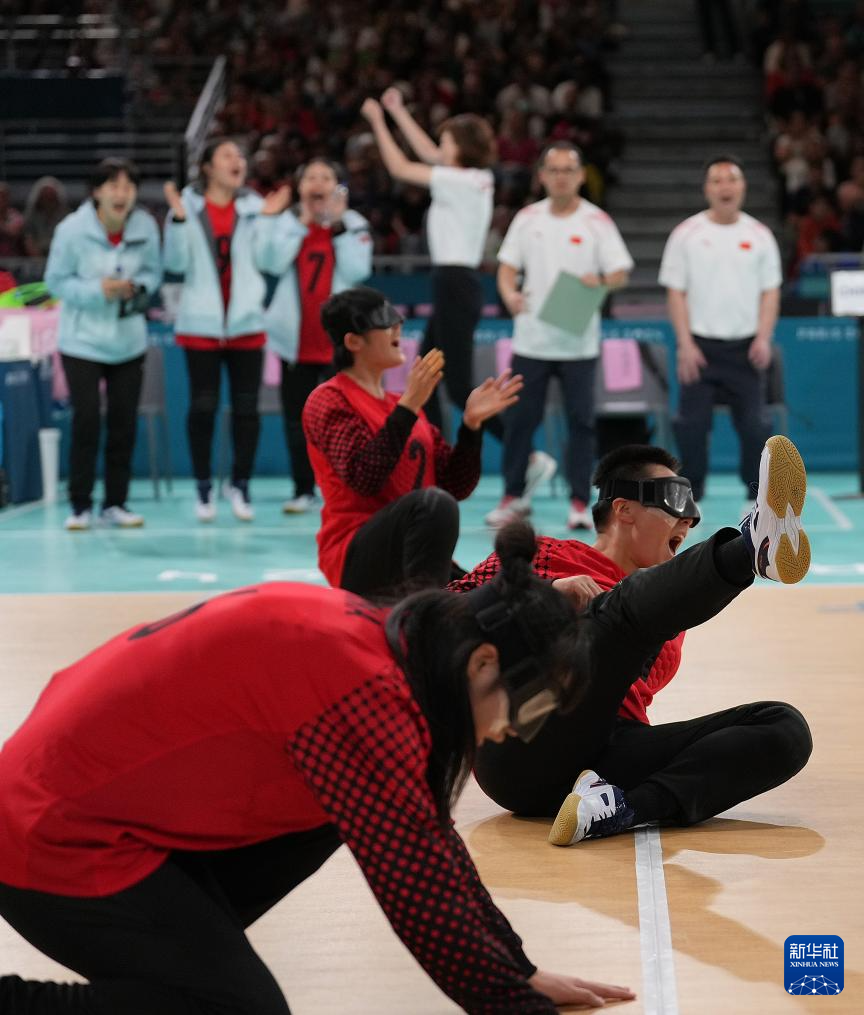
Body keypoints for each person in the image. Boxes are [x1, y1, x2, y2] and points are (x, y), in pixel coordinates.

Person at [0, 523, 637, 1014]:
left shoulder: (384, 641)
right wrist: (516, 1003)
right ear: (481, 663)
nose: (510, 732)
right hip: (50, 832)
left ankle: (186, 970)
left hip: (89, 804)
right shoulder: (361, 689)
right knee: (236, 1010)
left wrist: (518, 971)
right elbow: (419, 897)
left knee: (223, 974)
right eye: (530, 709)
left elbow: (428, 841)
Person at [454, 435, 812, 845]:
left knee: (784, 727)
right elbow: (444, 612)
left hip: (605, 758)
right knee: (618, 610)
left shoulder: (665, 610)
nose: (689, 520)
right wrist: (547, 593)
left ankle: (620, 810)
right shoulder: (542, 554)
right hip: (519, 733)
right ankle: (750, 550)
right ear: (623, 509)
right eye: (675, 500)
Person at [303, 286, 522, 599]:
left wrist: (471, 426)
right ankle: (425, 610)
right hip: (356, 554)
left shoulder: (405, 406)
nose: (397, 325)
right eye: (383, 319)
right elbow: (364, 477)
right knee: (433, 504)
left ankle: (433, 601)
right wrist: (408, 407)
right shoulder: (329, 399)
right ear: (353, 342)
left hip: (414, 555)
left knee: (503, 593)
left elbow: (454, 487)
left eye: (396, 316)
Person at [488, 141, 634, 531]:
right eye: (553, 170)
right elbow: (506, 268)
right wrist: (510, 295)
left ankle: (580, 502)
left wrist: (601, 280)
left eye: (568, 170)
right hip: (531, 341)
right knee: (520, 420)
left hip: (578, 343)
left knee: (581, 424)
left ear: (581, 176)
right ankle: (513, 497)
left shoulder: (597, 221)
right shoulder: (527, 219)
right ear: (541, 176)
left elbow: (620, 272)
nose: (561, 177)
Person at [360, 89, 499, 437]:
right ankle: (436, 451)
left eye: (446, 141)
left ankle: (522, 451)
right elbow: (427, 152)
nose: (440, 147)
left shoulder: (462, 181)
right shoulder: (474, 178)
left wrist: (378, 121)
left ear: (462, 147)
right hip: (454, 283)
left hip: (455, 283)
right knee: (427, 375)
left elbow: (400, 167)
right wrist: (397, 110)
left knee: (457, 386)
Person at [163, 138, 288, 523]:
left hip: (246, 323)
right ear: (207, 167)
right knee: (203, 407)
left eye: (241, 156)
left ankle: (240, 484)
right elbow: (175, 263)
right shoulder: (186, 206)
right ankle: (203, 487)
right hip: (200, 324)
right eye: (228, 155)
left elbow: (271, 262)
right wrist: (179, 220)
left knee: (247, 408)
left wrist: (269, 219)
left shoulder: (255, 207)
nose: (239, 161)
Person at [44, 158, 161, 531]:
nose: (121, 194)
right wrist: (99, 291)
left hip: (128, 342)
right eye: (113, 186)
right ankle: (80, 504)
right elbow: (56, 281)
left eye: (128, 187)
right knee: (87, 421)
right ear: (96, 192)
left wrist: (138, 288)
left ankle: (116, 503)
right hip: (81, 342)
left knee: (123, 424)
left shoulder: (145, 226)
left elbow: (154, 273)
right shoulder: (70, 230)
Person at [659, 155, 782, 502]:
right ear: (706, 189)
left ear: (743, 186)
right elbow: (676, 292)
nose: (725, 187)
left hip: (746, 349)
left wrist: (764, 337)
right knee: (690, 425)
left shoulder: (760, 235)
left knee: (756, 425)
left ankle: (756, 493)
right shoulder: (686, 234)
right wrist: (685, 344)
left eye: (732, 179)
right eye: (717, 180)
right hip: (700, 348)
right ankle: (692, 491)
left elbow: (770, 291)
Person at [260, 158, 372, 514]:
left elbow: (358, 269)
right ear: (300, 188)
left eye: (326, 177)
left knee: (345, 423)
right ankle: (303, 489)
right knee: (298, 422)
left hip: (340, 345)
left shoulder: (353, 224)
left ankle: (344, 489)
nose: (318, 183)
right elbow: (272, 263)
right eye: (310, 177)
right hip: (295, 343)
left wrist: (336, 226)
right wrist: (301, 224)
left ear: (339, 188)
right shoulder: (287, 223)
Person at [22, 176, 68, 257]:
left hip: (60, 254)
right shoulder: (31, 217)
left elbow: (68, 240)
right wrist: (38, 258)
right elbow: (28, 239)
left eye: (51, 197)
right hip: (35, 257)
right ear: (39, 198)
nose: (48, 201)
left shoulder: (66, 217)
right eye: (45, 197)